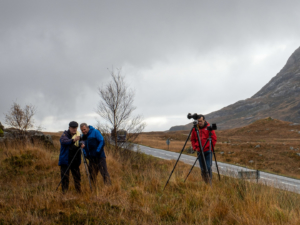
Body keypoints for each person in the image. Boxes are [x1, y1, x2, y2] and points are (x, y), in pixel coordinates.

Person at [190, 115, 217, 183]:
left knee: (208, 167)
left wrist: (210, 147)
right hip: (199, 152)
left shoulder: (209, 128)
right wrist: (194, 147)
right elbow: (192, 139)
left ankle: (210, 180)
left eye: (201, 121)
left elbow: (214, 139)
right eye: (198, 121)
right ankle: (205, 182)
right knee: (202, 169)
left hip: (208, 151)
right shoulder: (195, 129)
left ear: (204, 120)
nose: (200, 123)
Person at [58, 121, 82, 193]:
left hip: (75, 159)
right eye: (73, 128)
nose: (74, 129)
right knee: (65, 177)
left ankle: (78, 191)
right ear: (69, 128)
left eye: (75, 128)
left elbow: (83, 140)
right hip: (65, 160)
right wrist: (73, 140)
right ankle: (64, 193)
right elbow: (64, 141)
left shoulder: (78, 135)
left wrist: (82, 143)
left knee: (77, 176)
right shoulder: (64, 135)